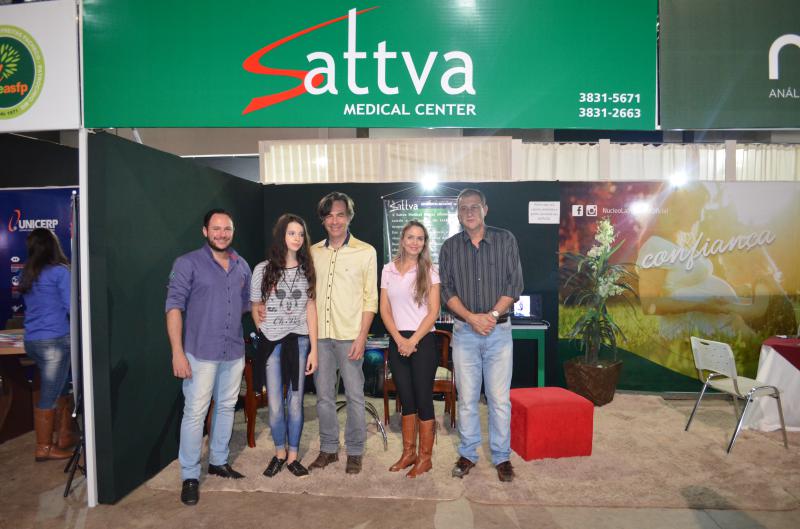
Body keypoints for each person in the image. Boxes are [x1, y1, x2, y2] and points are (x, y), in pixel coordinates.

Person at [166, 209, 252, 506]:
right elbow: (173, 307)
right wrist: (177, 352)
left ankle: (218, 460)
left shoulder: (242, 265)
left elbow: (247, 305)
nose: (222, 234)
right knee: (195, 412)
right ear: (205, 231)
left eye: (227, 229)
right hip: (199, 353)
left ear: (232, 231)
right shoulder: (187, 263)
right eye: (216, 228)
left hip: (233, 351)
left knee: (226, 407)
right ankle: (190, 475)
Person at [438, 188, 523, 483]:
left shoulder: (505, 240)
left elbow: (515, 284)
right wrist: (472, 318)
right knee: (467, 399)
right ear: (458, 213)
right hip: (464, 333)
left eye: (474, 206)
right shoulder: (449, 247)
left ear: (485, 209)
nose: (469, 212)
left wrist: (492, 316)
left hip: (499, 332)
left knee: (499, 400)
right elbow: (446, 290)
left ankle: (501, 456)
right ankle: (468, 453)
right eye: (463, 208)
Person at [308, 192, 378, 475]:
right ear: (323, 220)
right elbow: (308, 297)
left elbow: (370, 298)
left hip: (350, 336)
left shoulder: (366, 251)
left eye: (340, 214)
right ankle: (328, 449)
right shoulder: (313, 252)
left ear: (349, 217)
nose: (334, 221)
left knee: (354, 396)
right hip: (320, 337)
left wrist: (362, 337)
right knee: (323, 397)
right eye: (329, 215)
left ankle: (355, 451)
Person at [250, 214, 318, 478]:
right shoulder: (263, 269)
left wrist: (314, 349)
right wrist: (263, 330)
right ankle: (279, 453)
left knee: (296, 402)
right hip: (272, 345)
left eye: (301, 234)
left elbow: (311, 309)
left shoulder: (307, 269)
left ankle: (292, 456)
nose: (297, 238)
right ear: (281, 235)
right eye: (292, 233)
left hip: (299, 342)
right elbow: (255, 305)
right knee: (276, 404)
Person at [380, 220, 441, 478]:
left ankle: (425, 458)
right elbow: (384, 309)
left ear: (424, 243)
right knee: (406, 397)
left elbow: (433, 311)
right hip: (398, 340)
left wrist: (413, 340)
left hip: (423, 340)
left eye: (420, 238)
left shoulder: (430, 271)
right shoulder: (387, 269)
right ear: (402, 240)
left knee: (423, 397)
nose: (415, 242)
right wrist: (398, 339)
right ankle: (409, 453)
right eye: (411, 237)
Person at [20, 228, 76, 462]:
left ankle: (64, 436)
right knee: (50, 394)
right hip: (54, 341)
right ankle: (44, 447)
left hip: (33, 341)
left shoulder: (28, 272)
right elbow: (72, 307)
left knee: (59, 387)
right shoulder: (60, 272)